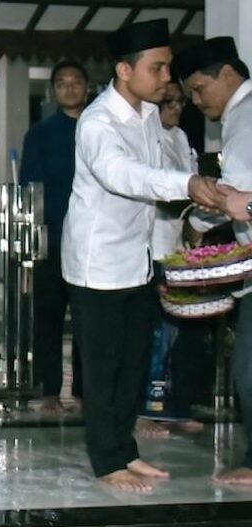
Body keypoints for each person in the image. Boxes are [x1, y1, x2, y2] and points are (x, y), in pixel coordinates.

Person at [61, 19, 224, 493]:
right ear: (124, 71)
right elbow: (125, 175)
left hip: (138, 257)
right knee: (103, 365)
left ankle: (126, 451)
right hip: (97, 264)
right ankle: (106, 459)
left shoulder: (150, 116)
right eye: (157, 68)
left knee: (133, 362)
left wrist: (201, 192)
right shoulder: (98, 122)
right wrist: (188, 185)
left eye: (168, 67)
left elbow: (161, 175)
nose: (166, 78)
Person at [173, 37, 252, 486]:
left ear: (228, 74)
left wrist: (196, 219)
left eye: (200, 89)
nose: (196, 102)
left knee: (249, 366)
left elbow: (235, 193)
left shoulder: (244, 116)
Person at [136, 80, 204, 439]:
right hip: (151, 248)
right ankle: (146, 409)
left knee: (179, 333)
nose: (177, 108)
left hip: (178, 250)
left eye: (181, 102)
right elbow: (158, 190)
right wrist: (194, 196)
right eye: (169, 102)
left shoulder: (179, 138)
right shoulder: (146, 138)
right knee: (155, 335)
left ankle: (176, 408)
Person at [20, 60, 89, 414]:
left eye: (76, 81)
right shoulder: (40, 134)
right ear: (53, 91)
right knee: (47, 317)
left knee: (87, 319)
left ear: (87, 87)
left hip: (93, 242)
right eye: (61, 83)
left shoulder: (99, 130)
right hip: (53, 239)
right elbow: (29, 188)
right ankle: (48, 390)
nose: (69, 88)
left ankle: (82, 391)